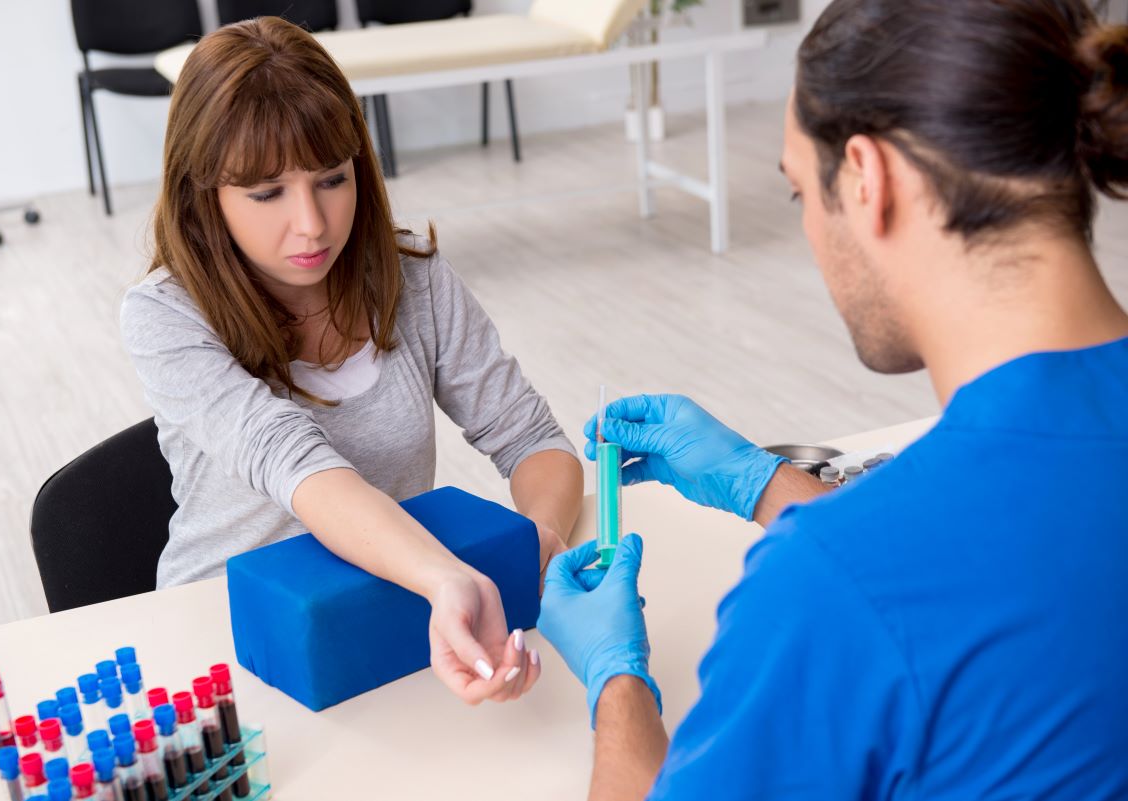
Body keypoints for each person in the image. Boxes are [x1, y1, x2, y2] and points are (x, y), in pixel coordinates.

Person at [538, 0, 1128, 797]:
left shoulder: (823, 590)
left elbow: (902, 587)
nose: (811, 229)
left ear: (866, 177)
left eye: (798, 195)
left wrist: (616, 683)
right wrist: (763, 480)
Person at [120, 17, 583, 706]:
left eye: (332, 179)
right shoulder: (165, 314)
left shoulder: (411, 278)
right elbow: (299, 465)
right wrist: (448, 578)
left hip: (387, 618)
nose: (312, 223)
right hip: (225, 651)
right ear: (202, 195)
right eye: (267, 193)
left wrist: (536, 542)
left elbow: (533, 439)